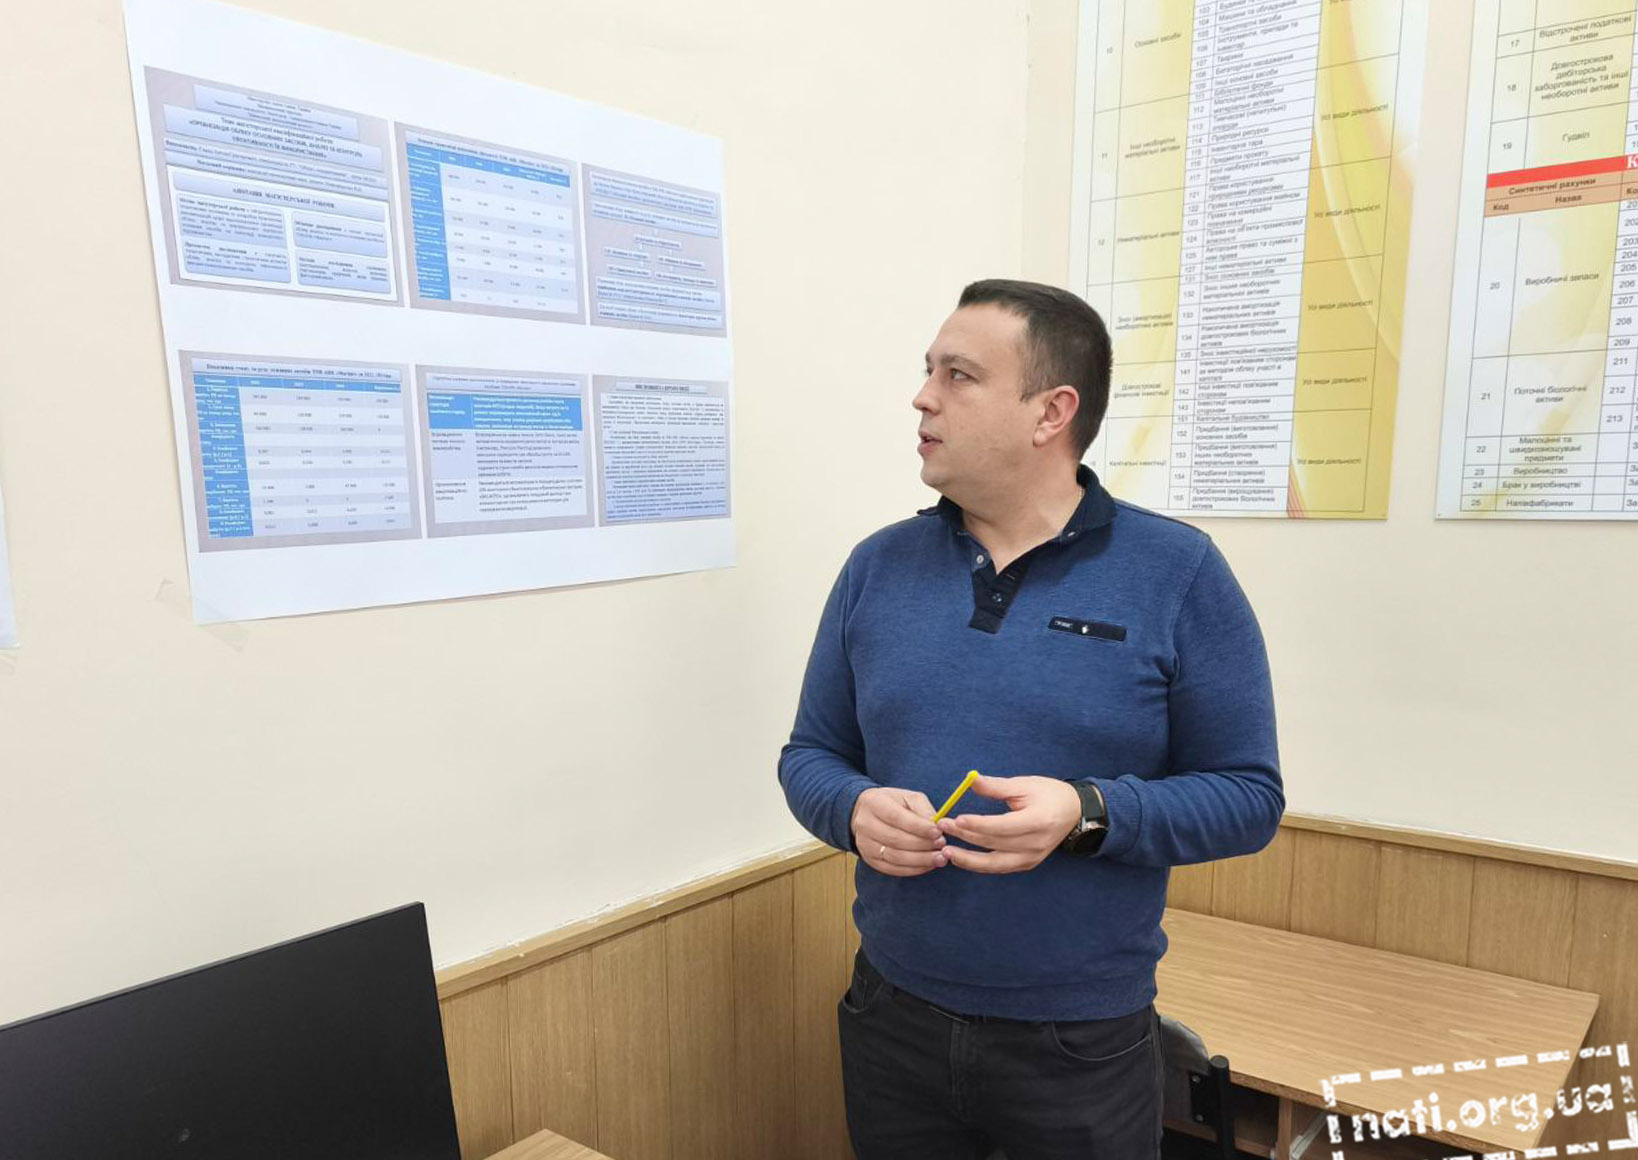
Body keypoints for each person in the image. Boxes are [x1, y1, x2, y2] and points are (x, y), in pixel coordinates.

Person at [777, 278, 1284, 1159]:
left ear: (1052, 412)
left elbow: (1249, 797)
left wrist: (1088, 813)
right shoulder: (876, 567)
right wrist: (851, 810)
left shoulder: (1178, 572)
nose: (923, 396)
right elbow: (812, 754)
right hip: (891, 1018)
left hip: (1078, 1046)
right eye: (928, 370)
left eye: (959, 375)